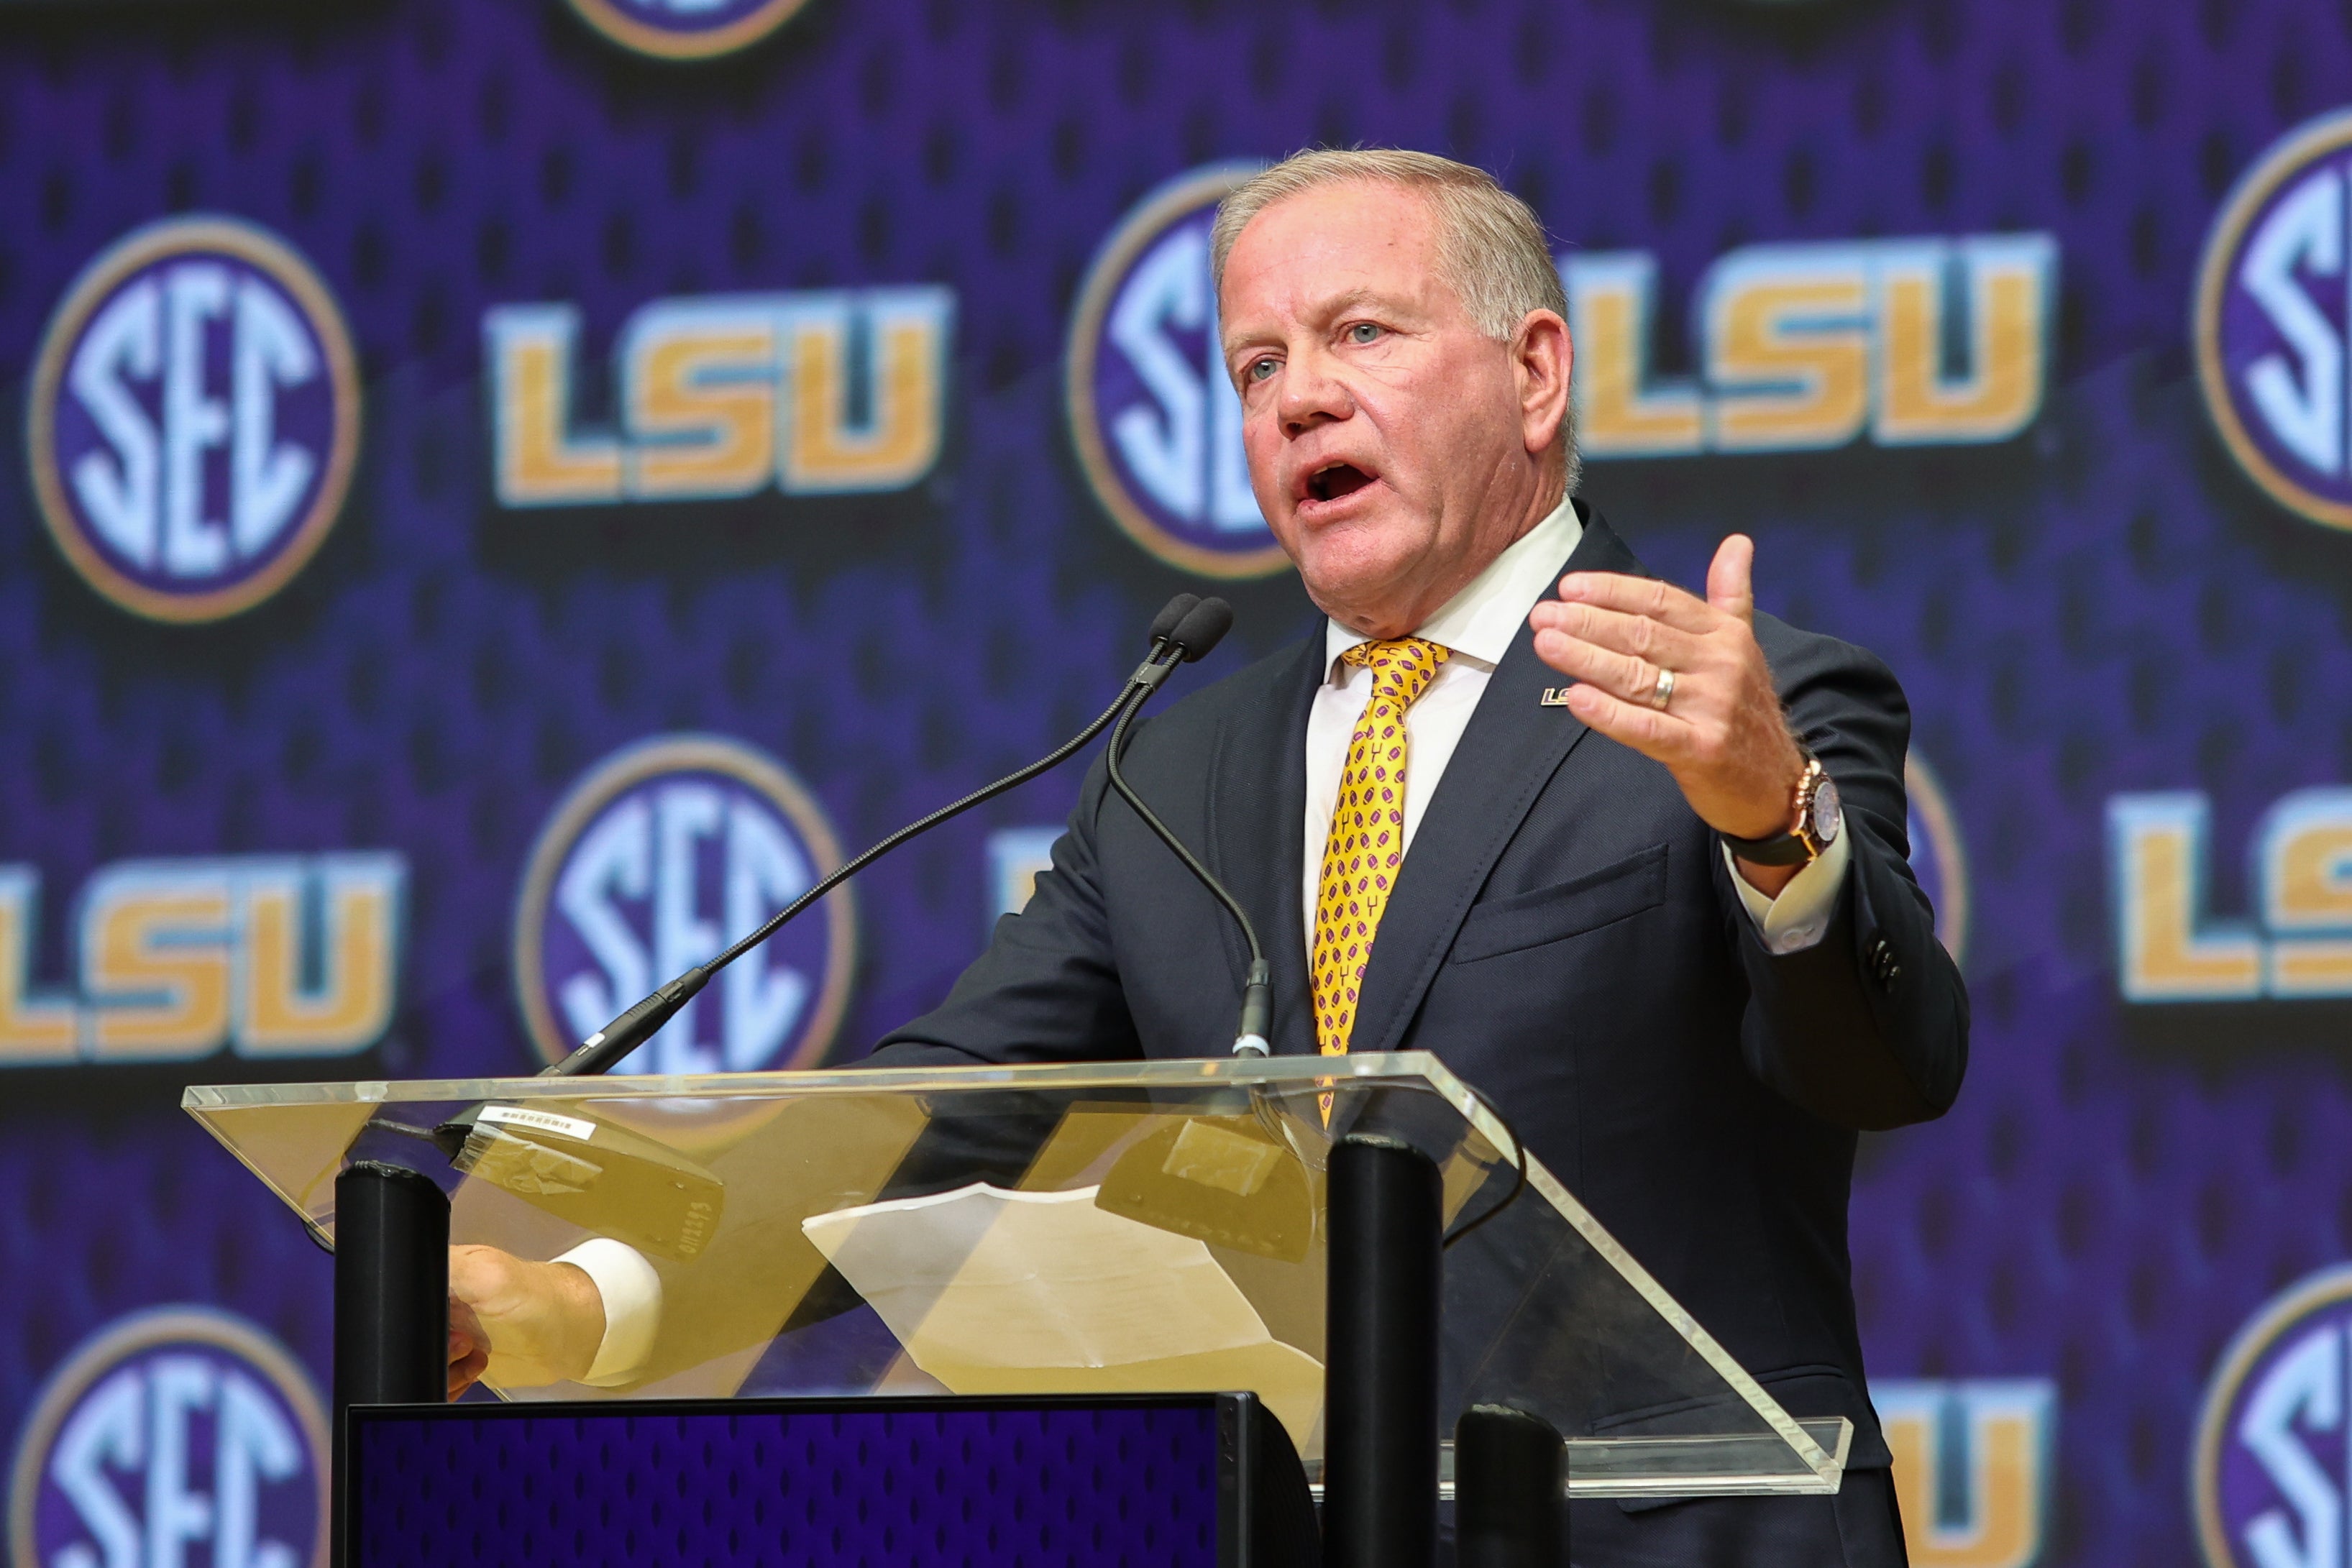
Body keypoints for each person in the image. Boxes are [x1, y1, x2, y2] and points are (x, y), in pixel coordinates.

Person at [447, 148, 1966, 1566]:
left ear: (1534, 372)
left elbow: (1881, 1067)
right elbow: (946, 1118)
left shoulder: (1736, 704)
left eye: (1360, 334)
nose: (1299, 398)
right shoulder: (1174, 767)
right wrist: (589, 1298)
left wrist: (1776, 818)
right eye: (1258, 365)